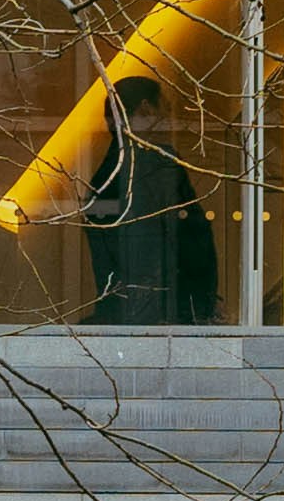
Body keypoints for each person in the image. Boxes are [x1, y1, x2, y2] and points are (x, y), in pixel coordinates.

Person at [82, 70, 223, 325]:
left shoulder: (104, 178)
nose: (170, 121)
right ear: (146, 109)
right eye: (166, 110)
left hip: (133, 310)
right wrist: (197, 306)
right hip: (164, 312)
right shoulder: (156, 166)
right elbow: (165, 244)